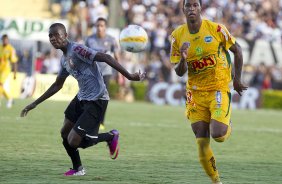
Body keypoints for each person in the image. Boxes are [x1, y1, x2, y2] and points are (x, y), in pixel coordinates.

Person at [20, 23, 145, 176]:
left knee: (74, 141)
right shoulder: (63, 60)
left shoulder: (77, 49)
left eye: (56, 35)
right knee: (64, 132)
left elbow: (105, 57)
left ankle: (110, 136)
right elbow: (57, 85)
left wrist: (130, 76)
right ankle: (78, 169)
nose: (53, 38)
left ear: (65, 35)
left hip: (97, 99)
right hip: (81, 97)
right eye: (50, 36)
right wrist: (34, 103)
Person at [170, 0, 247, 183]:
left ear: (200, 8)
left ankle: (227, 124)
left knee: (219, 135)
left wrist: (236, 79)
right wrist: (183, 59)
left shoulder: (216, 29)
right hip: (195, 93)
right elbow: (179, 72)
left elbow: (238, 50)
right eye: (188, 5)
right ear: (183, 9)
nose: (192, 9)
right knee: (201, 138)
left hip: (218, 88)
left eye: (195, 5)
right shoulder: (177, 36)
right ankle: (216, 181)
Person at [85, 17, 120, 130]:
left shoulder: (111, 40)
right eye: (98, 25)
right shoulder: (89, 39)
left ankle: (101, 122)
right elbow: (84, 55)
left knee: (104, 97)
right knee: (90, 97)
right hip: (92, 72)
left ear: (105, 27)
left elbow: (117, 57)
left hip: (106, 72)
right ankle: (88, 118)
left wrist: (119, 73)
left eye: (102, 26)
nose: (99, 28)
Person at [0, 34, 18, 108]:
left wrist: (14, 73)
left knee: (0, 84)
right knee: (0, 85)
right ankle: (9, 98)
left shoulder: (11, 49)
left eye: (6, 40)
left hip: (6, 69)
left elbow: (14, 62)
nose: (5, 41)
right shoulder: (0, 47)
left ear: (8, 40)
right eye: (4, 40)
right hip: (0, 69)